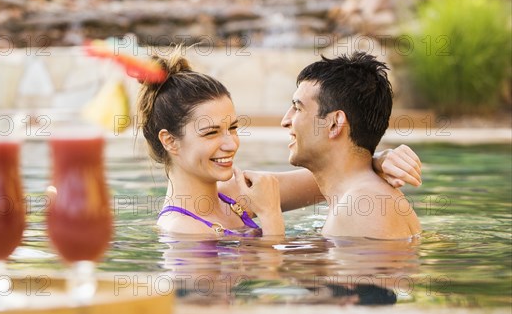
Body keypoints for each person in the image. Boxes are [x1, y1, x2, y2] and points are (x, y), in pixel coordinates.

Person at [137, 49, 422, 238]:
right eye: (211, 132)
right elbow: (270, 276)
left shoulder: (236, 192)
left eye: (233, 128)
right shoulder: (183, 228)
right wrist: (271, 216)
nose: (230, 144)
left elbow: (341, 173)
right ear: (170, 142)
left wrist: (377, 157)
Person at [274, 52, 421, 239]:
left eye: (298, 107)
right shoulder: (361, 196)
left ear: (335, 123)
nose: (285, 120)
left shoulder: (363, 206)